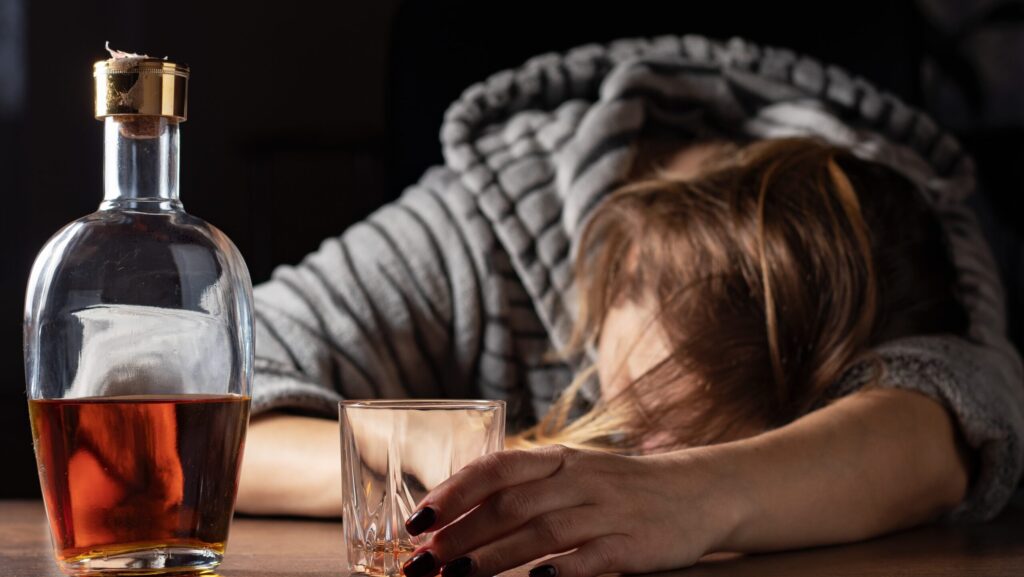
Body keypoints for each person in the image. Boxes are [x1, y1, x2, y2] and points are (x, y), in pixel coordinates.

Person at [235, 36, 1024, 577]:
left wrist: (690, 493)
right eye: (635, 422)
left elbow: (958, 422)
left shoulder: (917, 238)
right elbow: (179, 398)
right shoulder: (479, 220)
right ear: (627, 254)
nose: (631, 462)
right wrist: (461, 471)